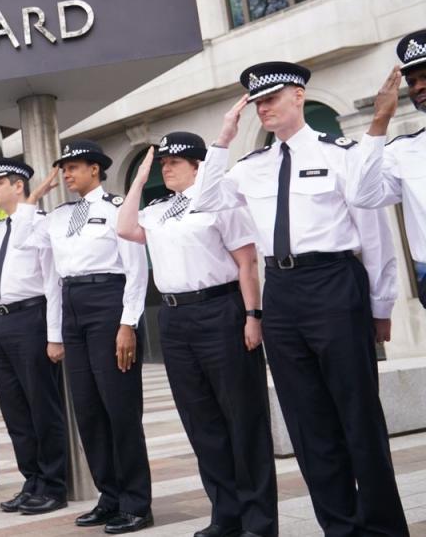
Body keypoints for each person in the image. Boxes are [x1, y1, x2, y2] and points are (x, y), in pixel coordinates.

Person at [193, 62, 408, 536]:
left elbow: (375, 236)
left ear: (298, 95)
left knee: (358, 416)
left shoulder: (341, 153)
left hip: (335, 283)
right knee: (308, 424)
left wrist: (382, 306)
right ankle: (340, 528)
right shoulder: (252, 166)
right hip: (283, 292)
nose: (263, 109)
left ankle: (385, 529)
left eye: (270, 98)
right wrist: (223, 139)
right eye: (256, 102)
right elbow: (204, 200)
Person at [117, 133, 278, 537]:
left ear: (198, 165)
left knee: (243, 419)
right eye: (163, 162)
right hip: (175, 319)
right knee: (201, 422)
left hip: (221, 311)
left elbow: (247, 264)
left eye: (176, 161)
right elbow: (125, 228)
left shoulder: (219, 201)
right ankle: (226, 514)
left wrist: (253, 317)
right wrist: (137, 180)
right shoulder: (157, 210)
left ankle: (258, 522)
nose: (166, 167)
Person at [21, 140, 152, 533]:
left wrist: (128, 323)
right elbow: (26, 241)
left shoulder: (116, 210)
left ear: (95, 169)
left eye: (73, 167)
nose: (66, 174)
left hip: (109, 303)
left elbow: (136, 269)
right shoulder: (57, 217)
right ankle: (109, 496)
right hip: (73, 305)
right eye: (62, 169)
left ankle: (136, 503)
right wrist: (36, 195)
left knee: (121, 410)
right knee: (89, 411)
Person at [0, 159, 68, 516]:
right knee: (16, 410)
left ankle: (53, 484)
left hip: (32, 318)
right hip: (2, 324)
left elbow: (52, 282)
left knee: (42, 406)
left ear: (18, 186)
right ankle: (32, 480)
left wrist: (54, 335)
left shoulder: (39, 224)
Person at [347, 29, 426, 308]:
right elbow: (362, 196)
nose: (418, 87)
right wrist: (380, 120)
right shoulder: (404, 150)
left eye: (425, 77)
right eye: (413, 80)